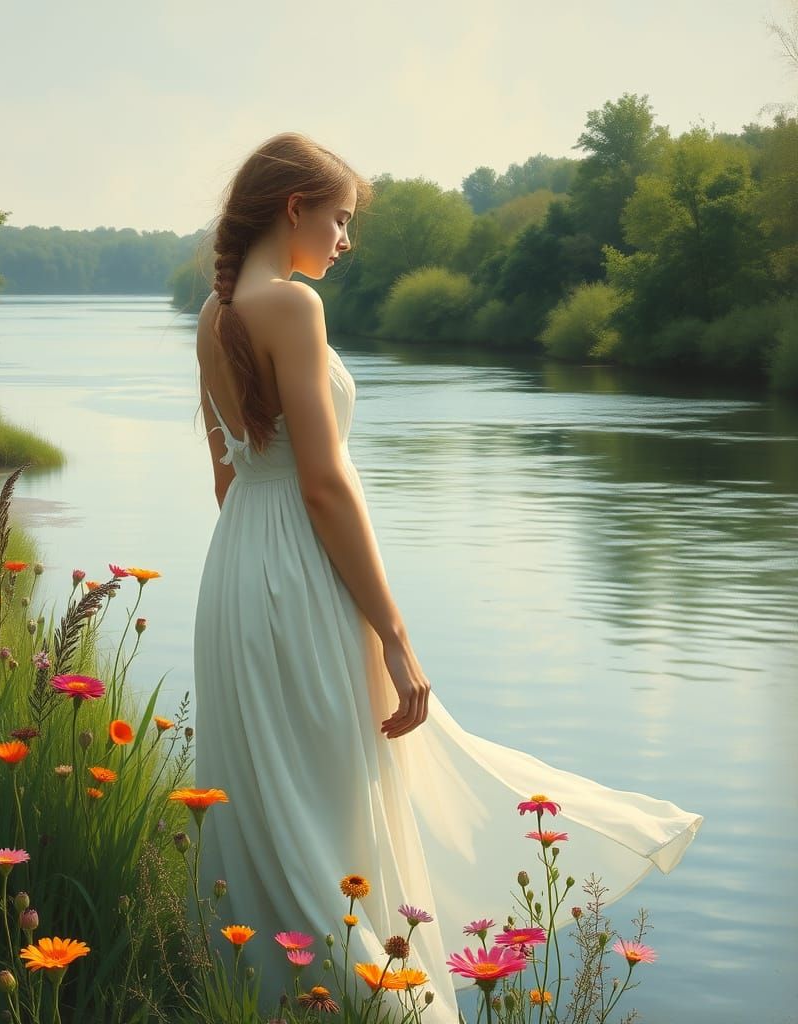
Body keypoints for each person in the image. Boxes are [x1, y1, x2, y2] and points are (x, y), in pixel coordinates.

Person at [191, 132, 702, 1023]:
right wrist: (396, 636)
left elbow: (226, 474)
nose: (346, 241)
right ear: (295, 207)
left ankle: (265, 999)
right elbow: (324, 481)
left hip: (236, 573)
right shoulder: (293, 309)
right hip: (300, 574)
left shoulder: (216, 311)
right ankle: (370, 1005)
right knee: (339, 804)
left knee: (273, 805)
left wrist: (255, 576)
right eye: (341, 218)